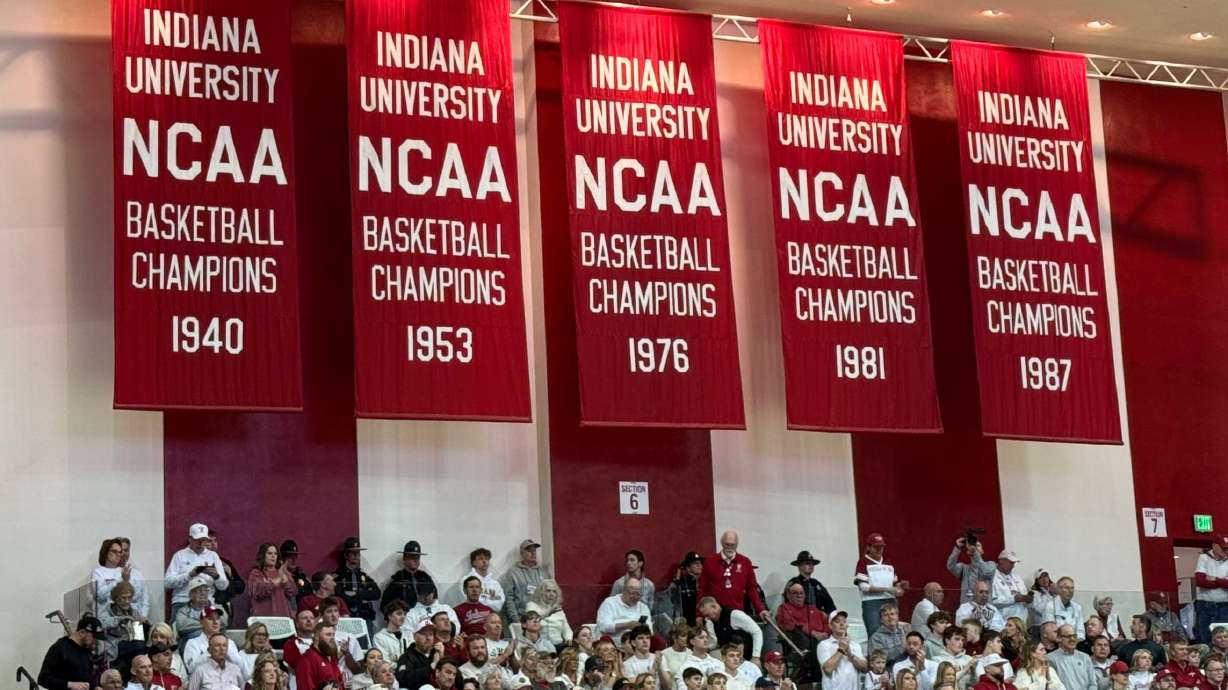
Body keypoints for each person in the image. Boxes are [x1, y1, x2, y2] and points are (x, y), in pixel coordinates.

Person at [698, 532, 768, 622]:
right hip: (715, 614)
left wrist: (760, 609)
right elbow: (702, 589)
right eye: (727, 544)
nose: (730, 547)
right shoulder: (709, 562)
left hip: (737, 613)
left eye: (733, 545)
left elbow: (752, 589)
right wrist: (699, 614)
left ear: (737, 544)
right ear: (722, 543)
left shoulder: (745, 562)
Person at [165, 524, 229, 620]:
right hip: (183, 601)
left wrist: (216, 576)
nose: (200, 543)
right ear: (190, 539)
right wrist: (189, 575)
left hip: (206, 602)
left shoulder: (213, 556)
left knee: (222, 621)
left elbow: (224, 586)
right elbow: (167, 582)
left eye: (203, 540)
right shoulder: (179, 555)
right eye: (197, 540)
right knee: (180, 626)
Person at [857, 534, 907, 637]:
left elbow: (895, 585)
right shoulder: (863, 562)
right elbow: (863, 587)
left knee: (893, 632)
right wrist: (888, 589)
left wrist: (900, 586)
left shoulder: (888, 562)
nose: (879, 550)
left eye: (881, 547)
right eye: (876, 547)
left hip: (890, 601)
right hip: (871, 602)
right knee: (875, 632)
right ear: (869, 547)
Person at [39, 615, 103, 690]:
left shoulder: (87, 652)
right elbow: (43, 679)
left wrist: (94, 688)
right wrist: (69, 684)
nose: (95, 641)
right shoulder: (59, 648)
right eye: (94, 637)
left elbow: (86, 680)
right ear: (82, 632)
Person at [94, 538, 151, 620]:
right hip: (111, 617)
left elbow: (144, 599)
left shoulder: (137, 573)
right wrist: (122, 579)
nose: (122, 554)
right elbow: (101, 596)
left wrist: (143, 616)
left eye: (125, 550)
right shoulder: (101, 571)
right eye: (120, 551)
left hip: (135, 617)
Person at [698, 597, 763, 663]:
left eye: (708, 615)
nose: (706, 618)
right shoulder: (712, 622)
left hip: (749, 658)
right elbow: (717, 642)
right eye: (705, 616)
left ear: (714, 607)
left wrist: (755, 657)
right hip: (731, 660)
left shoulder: (735, 615)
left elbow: (757, 632)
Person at [775, 581, 830, 657]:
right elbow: (789, 625)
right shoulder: (784, 608)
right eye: (795, 593)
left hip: (823, 639)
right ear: (788, 595)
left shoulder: (812, 608)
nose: (799, 595)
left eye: (801, 593)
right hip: (804, 643)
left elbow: (827, 622)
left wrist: (826, 633)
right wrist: (812, 632)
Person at [335, 538, 381, 627]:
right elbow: (339, 594)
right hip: (347, 617)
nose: (356, 556)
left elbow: (376, 593)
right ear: (346, 555)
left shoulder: (363, 576)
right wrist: (363, 594)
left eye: (358, 553)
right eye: (353, 553)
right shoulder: (338, 575)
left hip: (365, 617)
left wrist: (356, 593)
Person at [183, 609, 242, 677]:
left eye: (217, 619)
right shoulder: (193, 643)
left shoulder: (230, 643)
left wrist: (228, 652)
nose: (215, 622)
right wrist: (209, 652)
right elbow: (191, 669)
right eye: (210, 619)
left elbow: (240, 666)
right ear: (201, 622)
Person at [817, 611, 867, 690]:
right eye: (837, 621)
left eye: (844, 621)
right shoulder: (824, 645)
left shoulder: (855, 645)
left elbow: (865, 668)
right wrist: (841, 650)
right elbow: (828, 669)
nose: (842, 624)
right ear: (830, 626)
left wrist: (851, 655)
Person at [99, 581, 147, 661]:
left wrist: (141, 624)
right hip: (115, 645)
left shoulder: (134, 612)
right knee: (138, 645)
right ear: (116, 599)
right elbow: (102, 623)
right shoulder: (108, 609)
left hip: (131, 644)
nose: (127, 601)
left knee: (142, 644)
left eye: (129, 597)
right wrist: (120, 619)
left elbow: (138, 636)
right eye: (124, 598)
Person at [504, 540, 552, 621]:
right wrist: (515, 617)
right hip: (522, 617)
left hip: (542, 618)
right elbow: (509, 598)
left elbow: (551, 594)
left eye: (534, 550)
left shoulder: (544, 572)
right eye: (529, 551)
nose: (533, 553)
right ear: (522, 553)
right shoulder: (513, 573)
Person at [383, 542, 436, 613]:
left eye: (418, 557)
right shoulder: (397, 578)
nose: (416, 560)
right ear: (405, 558)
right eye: (412, 557)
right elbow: (385, 606)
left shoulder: (425, 577)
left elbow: (435, 599)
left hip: (425, 616)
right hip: (405, 617)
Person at [249, 543, 296, 617]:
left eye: (275, 554)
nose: (273, 556)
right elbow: (257, 592)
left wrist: (285, 581)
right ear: (263, 555)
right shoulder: (256, 573)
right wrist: (277, 581)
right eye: (270, 553)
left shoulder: (283, 572)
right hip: (264, 616)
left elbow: (293, 592)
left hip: (283, 616)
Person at [207, 530, 246, 617]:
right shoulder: (200, 563)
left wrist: (231, 576)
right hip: (208, 605)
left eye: (215, 541)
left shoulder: (225, 563)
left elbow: (241, 586)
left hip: (225, 606)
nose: (213, 544)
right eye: (210, 541)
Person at [394, 620, 442, 690]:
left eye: (431, 634)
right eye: (424, 634)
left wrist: (442, 658)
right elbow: (404, 679)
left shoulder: (437, 653)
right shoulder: (406, 657)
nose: (428, 638)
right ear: (415, 637)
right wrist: (431, 667)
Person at [947, 538, 995, 607]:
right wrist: (957, 548)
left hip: (986, 609)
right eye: (973, 546)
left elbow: (986, 572)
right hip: (967, 608)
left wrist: (975, 553)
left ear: (982, 551)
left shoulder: (991, 564)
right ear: (967, 551)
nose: (974, 547)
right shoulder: (963, 568)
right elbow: (950, 566)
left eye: (978, 546)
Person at [295, 623, 344, 690]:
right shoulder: (307, 661)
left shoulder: (330, 657)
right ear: (317, 637)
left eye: (333, 635)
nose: (332, 638)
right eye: (328, 635)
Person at [1047, 625, 1098, 690]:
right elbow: (1053, 686)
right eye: (1068, 636)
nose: (1072, 639)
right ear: (1059, 638)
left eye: (1074, 636)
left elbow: (1093, 684)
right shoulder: (1050, 658)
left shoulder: (1085, 657)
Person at [527, 579, 572, 647]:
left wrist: (569, 638)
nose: (551, 594)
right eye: (548, 591)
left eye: (554, 591)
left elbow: (566, 628)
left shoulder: (558, 608)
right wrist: (548, 612)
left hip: (558, 645)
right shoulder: (531, 605)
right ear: (540, 592)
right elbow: (533, 621)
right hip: (539, 645)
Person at [664, 553, 705, 628]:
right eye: (696, 564)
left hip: (703, 619)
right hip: (685, 621)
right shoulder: (681, 582)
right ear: (688, 568)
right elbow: (670, 596)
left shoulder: (705, 581)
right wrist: (677, 578)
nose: (700, 566)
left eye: (701, 563)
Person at [990, 553, 1030, 625]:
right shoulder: (992, 577)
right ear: (1001, 561)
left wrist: (1028, 599)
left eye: (1014, 563)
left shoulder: (1017, 577)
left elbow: (1025, 595)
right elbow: (992, 601)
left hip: (1021, 622)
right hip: (1003, 622)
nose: (1013, 566)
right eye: (1011, 563)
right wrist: (1013, 599)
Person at [468, 548, 507, 615]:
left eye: (486, 559)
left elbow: (499, 604)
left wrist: (483, 600)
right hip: (474, 617)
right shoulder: (467, 580)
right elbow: (472, 602)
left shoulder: (495, 583)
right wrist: (491, 599)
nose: (484, 561)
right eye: (480, 559)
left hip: (492, 618)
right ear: (473, 562)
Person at [279, 541, 311, 608]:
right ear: (282, 558)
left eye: (295, 556)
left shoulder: (301, 575)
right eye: (290, 557)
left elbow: (308, 593)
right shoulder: (278, 576)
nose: (294, 560)